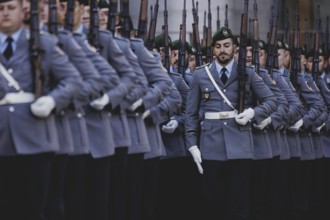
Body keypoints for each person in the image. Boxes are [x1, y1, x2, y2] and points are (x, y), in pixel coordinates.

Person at [0, 0, 82, 219]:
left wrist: (53, 101)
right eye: (0, 9)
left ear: (21, 11)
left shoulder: (42, 43)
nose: (5, 13)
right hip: (2, 139)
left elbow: (73, 80)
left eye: (10, 8)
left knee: (32, 209)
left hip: (35, 139)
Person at [185, 26, 277, 220]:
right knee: (211, 203)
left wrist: (253, 112)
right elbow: (191, 114)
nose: (223, 50)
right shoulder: (201, 75)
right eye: (218, 46)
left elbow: (272, 101)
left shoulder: (247, 72)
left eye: (227, 45)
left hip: (240, 147)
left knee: (238, 206)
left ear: (235, 47)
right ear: (213, 50)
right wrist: (192, 144)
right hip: (211, 146)